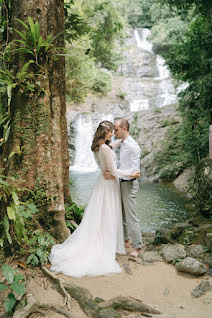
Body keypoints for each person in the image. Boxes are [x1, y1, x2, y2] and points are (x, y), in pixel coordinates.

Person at [49, 120, 140, 278]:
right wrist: (131, 174)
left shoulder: (98, 146)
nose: (113, 134)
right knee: (108, 214)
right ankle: (105, 245)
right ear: (105, 133)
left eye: (115, 131)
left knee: (101, 214)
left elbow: (114, 146)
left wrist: (124, 140)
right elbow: (113, 170)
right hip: (110, 183)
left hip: (102, 183)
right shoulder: (105, 148)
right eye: (111, 131)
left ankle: (105, 241)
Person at [104, 118, 143, 257]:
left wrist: (114, 175)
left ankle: (138, 247)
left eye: (116, 129)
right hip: (121, 182)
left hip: (130, 184)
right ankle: (126, 241)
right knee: (122, 214)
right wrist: (109, 146)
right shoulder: (123, 142)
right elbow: (116, 143)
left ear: (124, 129)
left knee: (131, 216)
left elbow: (134, 172)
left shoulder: (133, 146)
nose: (114, 132)